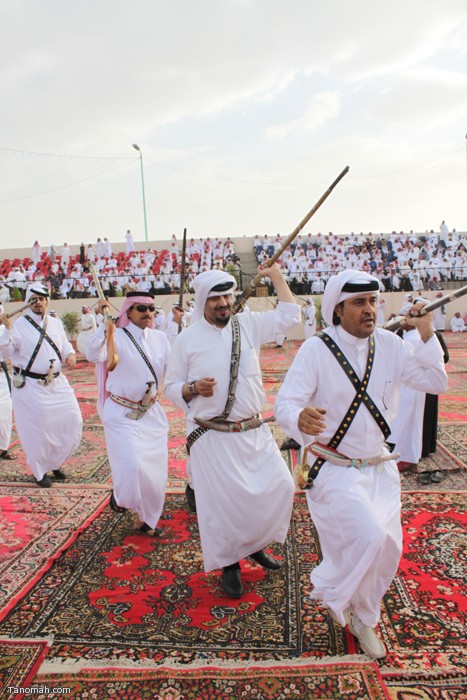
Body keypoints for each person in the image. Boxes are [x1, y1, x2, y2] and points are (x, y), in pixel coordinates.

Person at [275, 269, 447, 659]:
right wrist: (299, 418)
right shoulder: (316, 349)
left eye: (373, 301)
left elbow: (436, 382)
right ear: (338, 309)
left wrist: (426, 333)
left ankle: (364, 617)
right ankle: (337, 596)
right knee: (369, 536)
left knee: (388, 548)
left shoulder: (391, 344)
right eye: (359, 303)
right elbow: (284, 404)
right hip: (334, 468)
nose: (369, 309)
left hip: (381, 468)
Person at [164, 266, 300, 599]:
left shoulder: (248, 324)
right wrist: (193, 388)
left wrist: (277, 277)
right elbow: (170, 387)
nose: (224, 303)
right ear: (203, 302)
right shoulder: (187, 339)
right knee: (223, 507)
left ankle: (254, 546)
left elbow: (290, 314)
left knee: (279, 487)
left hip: (253, 430)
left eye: (227, 295)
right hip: (212, 436)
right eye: (216, 298)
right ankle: (230, 565)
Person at [86, 292, 182, 534]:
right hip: (121, 412)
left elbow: (172, 368)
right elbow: (91, 355)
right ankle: (121, 497)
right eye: (141, 308)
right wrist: (104, 326)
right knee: (132, 465)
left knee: (154, 472)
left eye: (151, 309)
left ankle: (147, 519)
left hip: (151, 412)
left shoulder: (159, 338)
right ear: (128, 312)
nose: (148, 313)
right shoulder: (115, 335)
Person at [0, 282, 83, 487]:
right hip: (30, 386)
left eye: (41, 299)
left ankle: (55, 462)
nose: (38, 303)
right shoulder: (18, 325)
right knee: (37, 430)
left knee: (73, 419)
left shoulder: (55, 323)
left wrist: (70, 354)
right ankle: (39, 472)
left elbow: (64, 344)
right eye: (34, 300)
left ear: (47, 301)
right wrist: (7, 330)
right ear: (28, 303)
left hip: (56, 382)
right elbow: (4, 353)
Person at [0, 307, 13, 461]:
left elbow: (6, 353)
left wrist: (8, 329)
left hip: (1, 377)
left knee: (4, 413)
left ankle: (3, 448)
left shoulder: (4, 329)